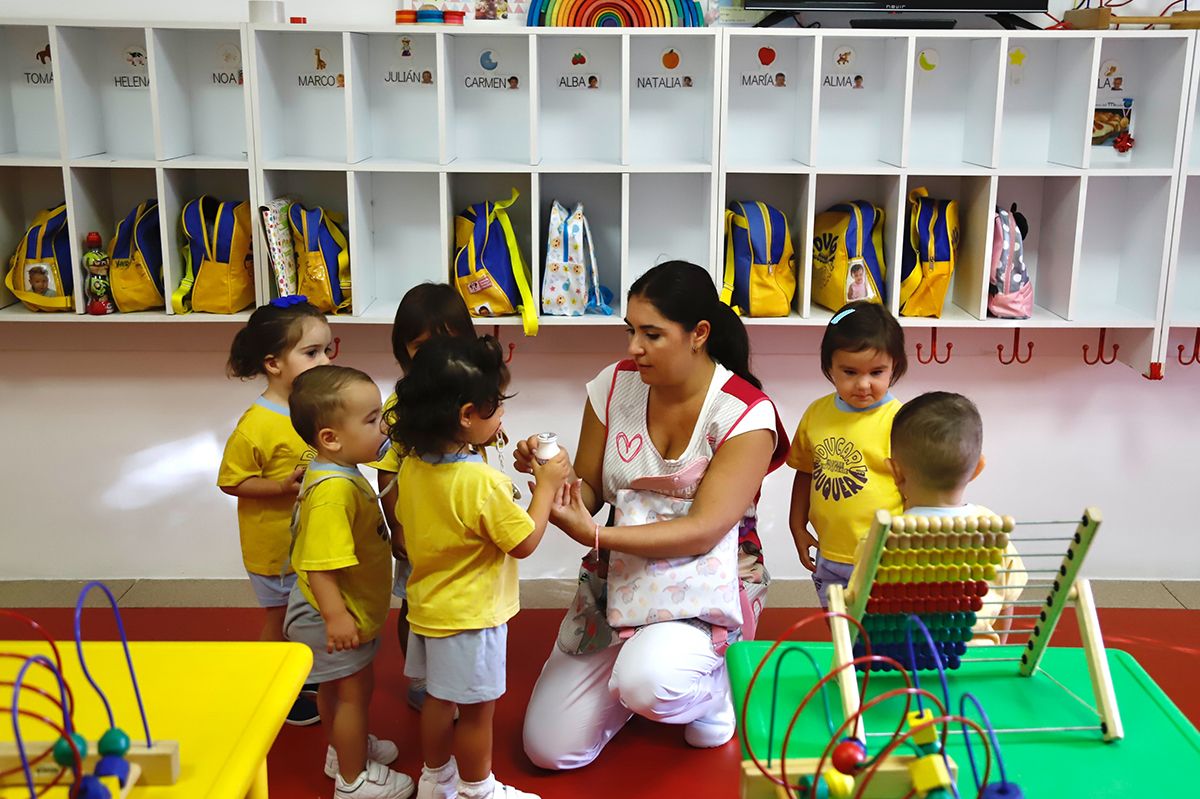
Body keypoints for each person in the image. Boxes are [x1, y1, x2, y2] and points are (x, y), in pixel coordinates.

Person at [517, 261, 788, 769]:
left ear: (698, 335)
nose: (633, 347)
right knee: (550, 749)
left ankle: (713, 691)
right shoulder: (613, 385)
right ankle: (646, 670)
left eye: (651, 334)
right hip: (617, 582)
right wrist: (554, 479)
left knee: (649, 682)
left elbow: (704, 529)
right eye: (630, 330)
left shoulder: (746, 413)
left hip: (706, 589)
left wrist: (596, 535)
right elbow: (592, 491)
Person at [389, 335, 571, 799]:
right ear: (467, 415)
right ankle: (477, 788)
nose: (503, 415)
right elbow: (525, 541)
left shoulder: (412, 466)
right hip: (473, 616)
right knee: (477, 710)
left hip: (427, 608)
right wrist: (546, 486)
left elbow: (408, 530)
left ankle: (435, 780)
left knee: (437, 699)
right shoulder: (482, 482)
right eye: (497, 407)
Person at [285, 365, 414, 799]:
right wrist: (336, 617)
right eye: (372, 419)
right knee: (354, 693)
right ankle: (353, 780)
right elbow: (319, 565)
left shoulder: (336, 471)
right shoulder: (333, 492)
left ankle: (343, 751)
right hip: (332, 614)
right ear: (330, 438)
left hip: (334, 609)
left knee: (339, 691)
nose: (384, 428)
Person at [218, 297, 332, 725]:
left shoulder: (316, 406)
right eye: (310, 353)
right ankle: (268, 683)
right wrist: (281, 487)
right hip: (272, 547)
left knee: (309, 614)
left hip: (310, 541)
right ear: (273, 363)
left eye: (327, 350)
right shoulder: (257, 423)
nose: (323, 360)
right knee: (280, 618)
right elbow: (232, 480)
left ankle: (301, 675)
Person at [368, 282, 477, 712]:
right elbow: (387, 471)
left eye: (447, 342)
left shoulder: (472, 392)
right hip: (417, 528)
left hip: (461, 528)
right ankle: (420, 676)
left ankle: (456, 670)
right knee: (414, 603)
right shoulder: (403, 403)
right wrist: (396, 526)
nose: (434, 355)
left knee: (459, 602)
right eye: (420, 346)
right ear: (403, 350)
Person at [788, 303, 906, 608]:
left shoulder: (902, 422)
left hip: (885, 558)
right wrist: (797, 526)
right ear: (830, 368)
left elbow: (917, 491)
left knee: (881, 639)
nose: (863, 384)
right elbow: (805, 472)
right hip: (830, 555)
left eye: (877, 372)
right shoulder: (817, 414)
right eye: (850, 372)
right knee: (840, 634)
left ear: (895, 367)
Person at [887, 392, 1026, 645]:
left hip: (905, 666)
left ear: (895, 472)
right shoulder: (992, 528)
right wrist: (999, 652)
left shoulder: (883, 538)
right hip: (979, 663)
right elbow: (1007, 603)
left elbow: (859, 609)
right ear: (977, 468)